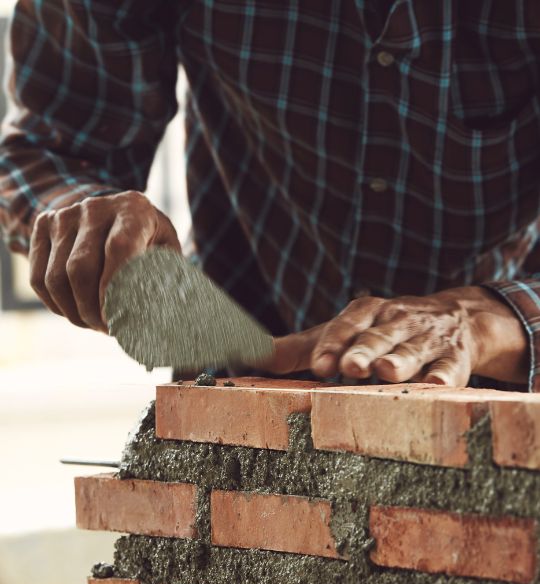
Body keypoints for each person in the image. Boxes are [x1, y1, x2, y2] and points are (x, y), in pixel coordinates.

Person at [0, 1, 538, 389]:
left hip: (506, 392)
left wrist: (492, 323)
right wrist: (90, 228)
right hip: (239, 379)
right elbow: (53, 149)